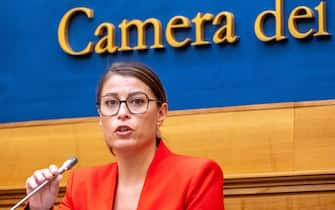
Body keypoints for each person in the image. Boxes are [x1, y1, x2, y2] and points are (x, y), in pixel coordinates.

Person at [25, 61, 224, 210]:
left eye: (137, 101)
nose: (122, 113)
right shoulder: (83, 184)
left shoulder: (197, 175)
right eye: (111, 103)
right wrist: (38, 208)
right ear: (100, 117)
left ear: (161, 114)